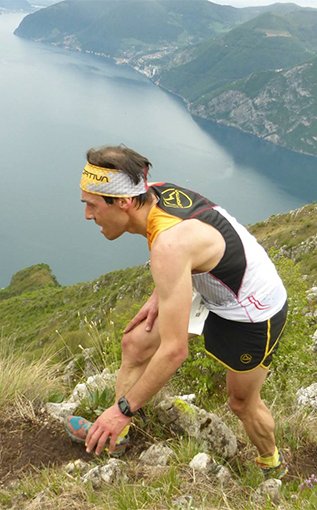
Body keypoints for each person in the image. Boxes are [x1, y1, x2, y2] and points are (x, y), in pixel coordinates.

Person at [65, 145, 290, 478]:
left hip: (253, 312)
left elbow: (174, 352)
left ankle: (272, 462)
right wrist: (160, 294)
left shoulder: (169, 246)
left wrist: (124, 409)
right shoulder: (155, 196)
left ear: (124, 202)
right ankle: (118, 438)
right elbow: (189, 251)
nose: (87, 214)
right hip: (212, 285)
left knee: (242, 403)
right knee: (135, 344)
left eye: (92, 204)